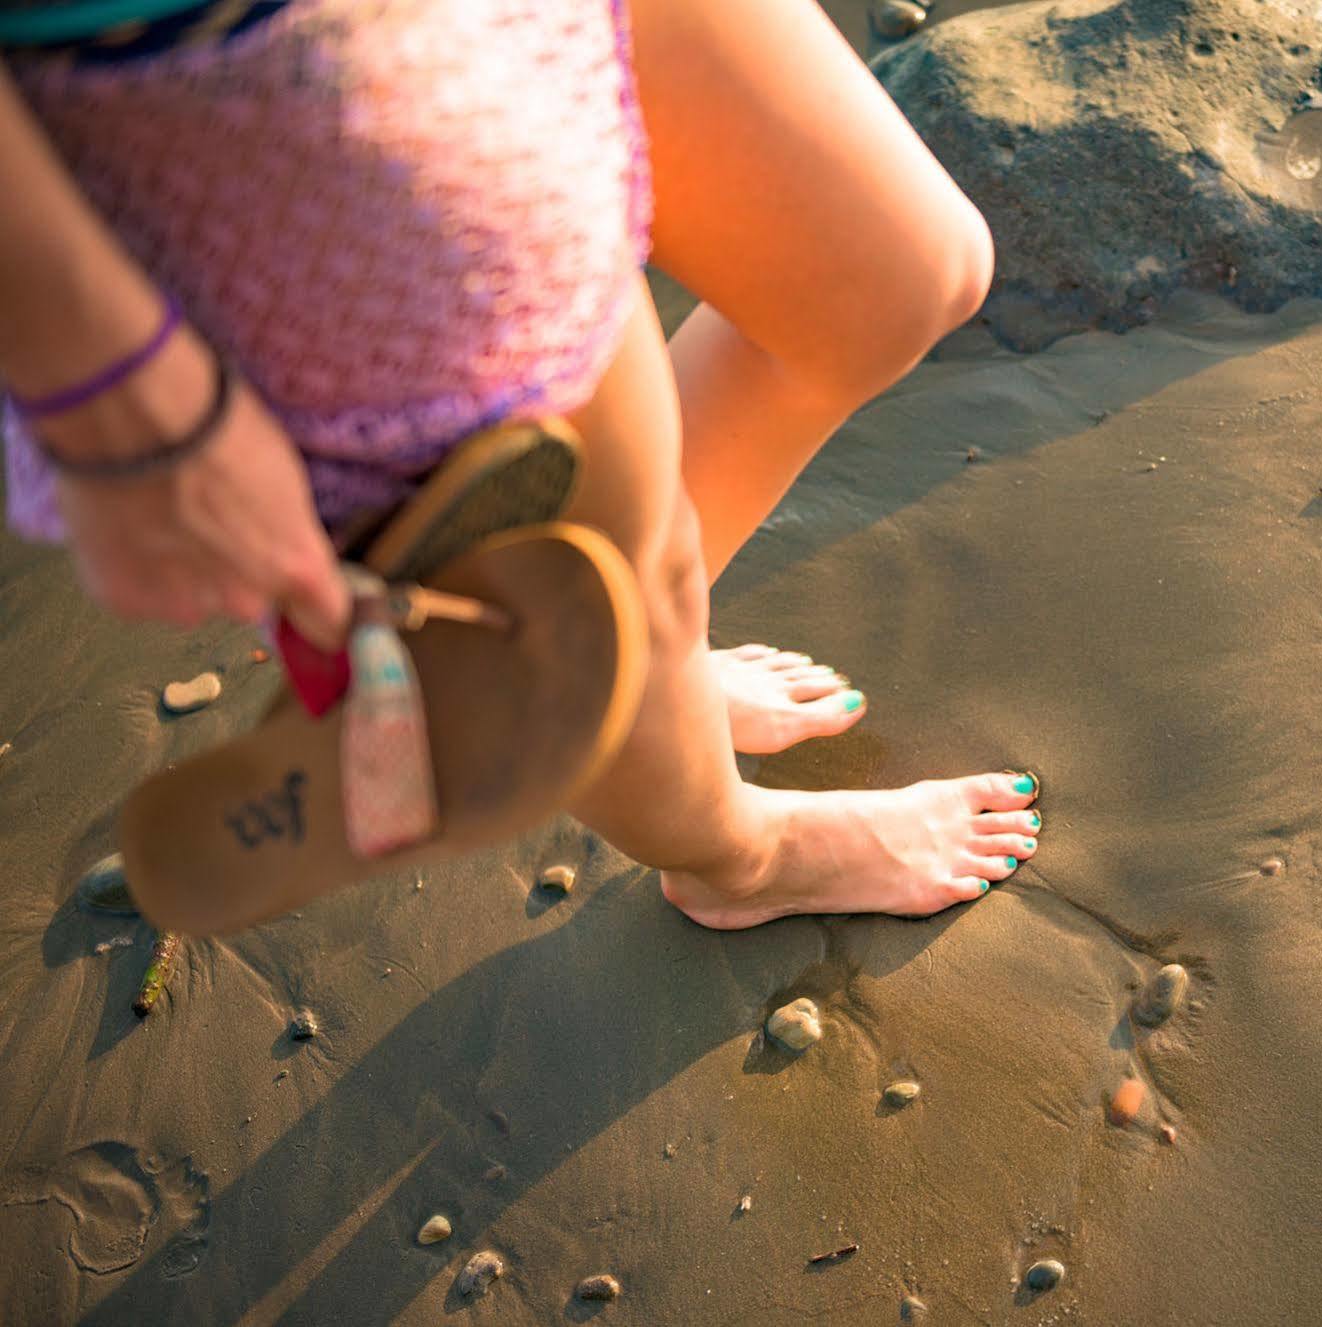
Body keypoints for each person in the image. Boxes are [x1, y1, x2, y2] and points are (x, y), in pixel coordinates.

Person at [0, 0, 1041, 927]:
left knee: (896, 280)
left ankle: (626, 684)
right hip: (243, 71)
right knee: (610, 558)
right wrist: (116, 396)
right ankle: (739, 856)